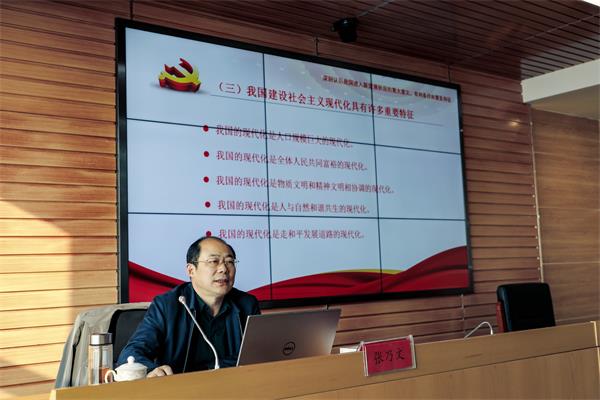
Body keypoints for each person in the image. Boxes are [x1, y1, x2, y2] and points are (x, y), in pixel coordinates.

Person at [117, 236, 260, 377]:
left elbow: (258, 354)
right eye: (213, 261)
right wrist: (151, 371)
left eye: (229, 262)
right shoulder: (167, 306)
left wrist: (209, 370)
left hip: (235, 384)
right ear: (191, 270)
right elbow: (131, 354)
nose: (223, 269)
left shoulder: (247, 304)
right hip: (180, 387)